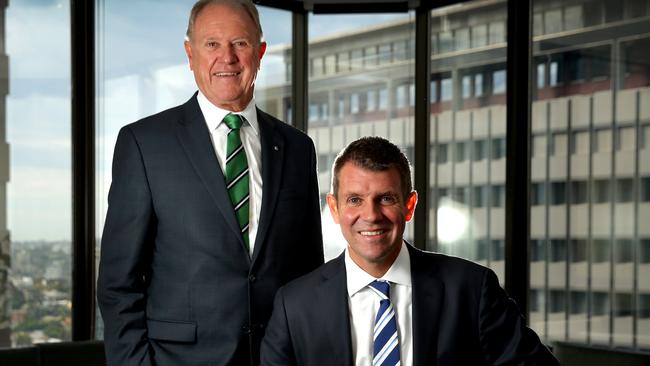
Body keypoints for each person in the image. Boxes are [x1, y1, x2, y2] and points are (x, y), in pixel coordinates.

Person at [97, 1, 323, 365]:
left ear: (260, 52)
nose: (227, 58)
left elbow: (310, 273)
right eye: (212, 44)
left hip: (280, 355)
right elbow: (117, 282)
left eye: (240, 43)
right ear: (190, 53)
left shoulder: (298, 148)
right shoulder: (145, 143)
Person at [260, 136, 559, 366]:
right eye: (354, 200)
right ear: (335, 208)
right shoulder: (293, 306)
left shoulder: (471, 289)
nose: (371, 215)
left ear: (410, 205)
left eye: (386, 198)